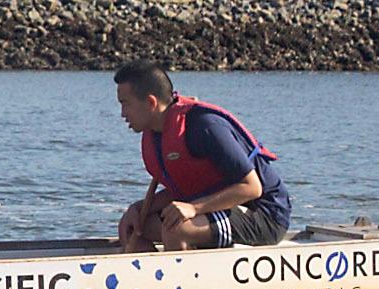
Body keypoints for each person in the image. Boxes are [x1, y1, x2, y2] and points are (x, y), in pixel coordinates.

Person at [113, 67, 293, 249]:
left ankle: (180, 275)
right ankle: (152, 275)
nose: (122, 113)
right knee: (134, 227)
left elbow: (252, 188)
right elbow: (185, 188)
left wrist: (194, 209)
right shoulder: (157, 132)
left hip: (265, 215)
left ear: (151, 103)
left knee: (175, 229)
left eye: (125, 104)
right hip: (220, 206)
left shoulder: (205, 127)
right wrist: (139, 208)